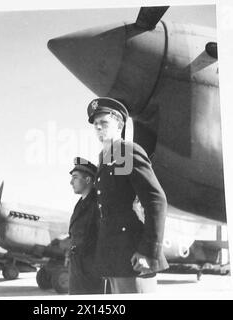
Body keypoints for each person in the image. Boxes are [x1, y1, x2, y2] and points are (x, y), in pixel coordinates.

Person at [87, 97, 169, 294]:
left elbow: (156, 200)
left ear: (119, 126)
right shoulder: (105, 158)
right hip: (114, 255)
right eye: (96, 124)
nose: (98, 128)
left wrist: (148, 251)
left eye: (104, 123)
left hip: (134, 254)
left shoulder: (126, 151)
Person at [68, 157, 104, 295]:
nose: (71, 182)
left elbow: (102, 237)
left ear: (88, 180)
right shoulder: (80, 204)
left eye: (75, 177)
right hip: (77, 270)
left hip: (91, 273)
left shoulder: (97, 203)